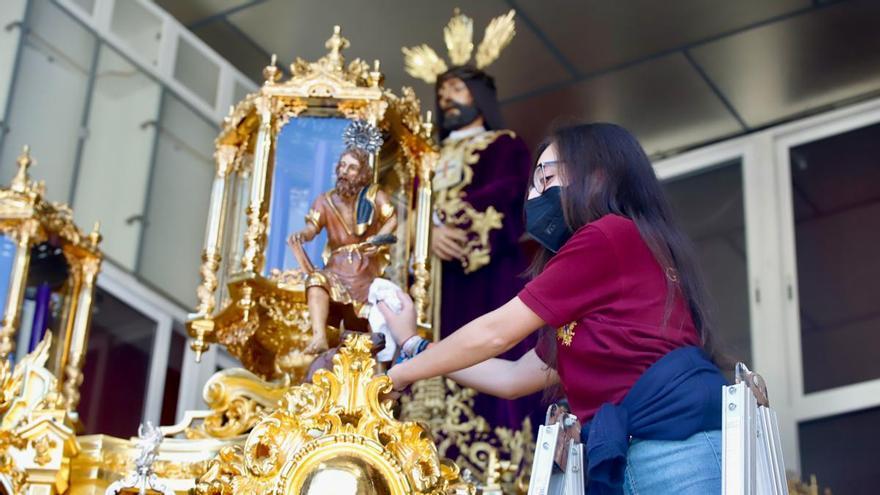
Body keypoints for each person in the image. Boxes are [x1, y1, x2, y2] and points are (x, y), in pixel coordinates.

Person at [382, 123, 728, 494]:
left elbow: (495, 333)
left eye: (545, 177)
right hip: (643, 449)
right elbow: (513, 377)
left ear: (597, 176)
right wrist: (413, 346)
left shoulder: (607, 235)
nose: (533, 194)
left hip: (673, 448)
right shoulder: (608, 260)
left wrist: (397, 377)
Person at [430, 65, 539, 437]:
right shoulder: (420, 156)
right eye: (442, 92)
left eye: (457, 89)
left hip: (483, 280)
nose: (446, 98)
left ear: (480, 96)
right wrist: (425, 233)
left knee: (491, 349)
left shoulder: (504, 145)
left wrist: (447, 223)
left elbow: (508, 195)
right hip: (428, 284)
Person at [286, 147, 397, 354]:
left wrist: (378, 240)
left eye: (352, 168)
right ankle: (319, 337)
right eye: (342, 166)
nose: (345, 172)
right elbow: (313, 228)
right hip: (336, 267)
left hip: (364, 267)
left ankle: (380, 363)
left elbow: (391, 218)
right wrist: (302, 234)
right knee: (316, 280)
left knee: (372, 313)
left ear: (362, 173)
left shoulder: (372, 195)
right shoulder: (324, 200)